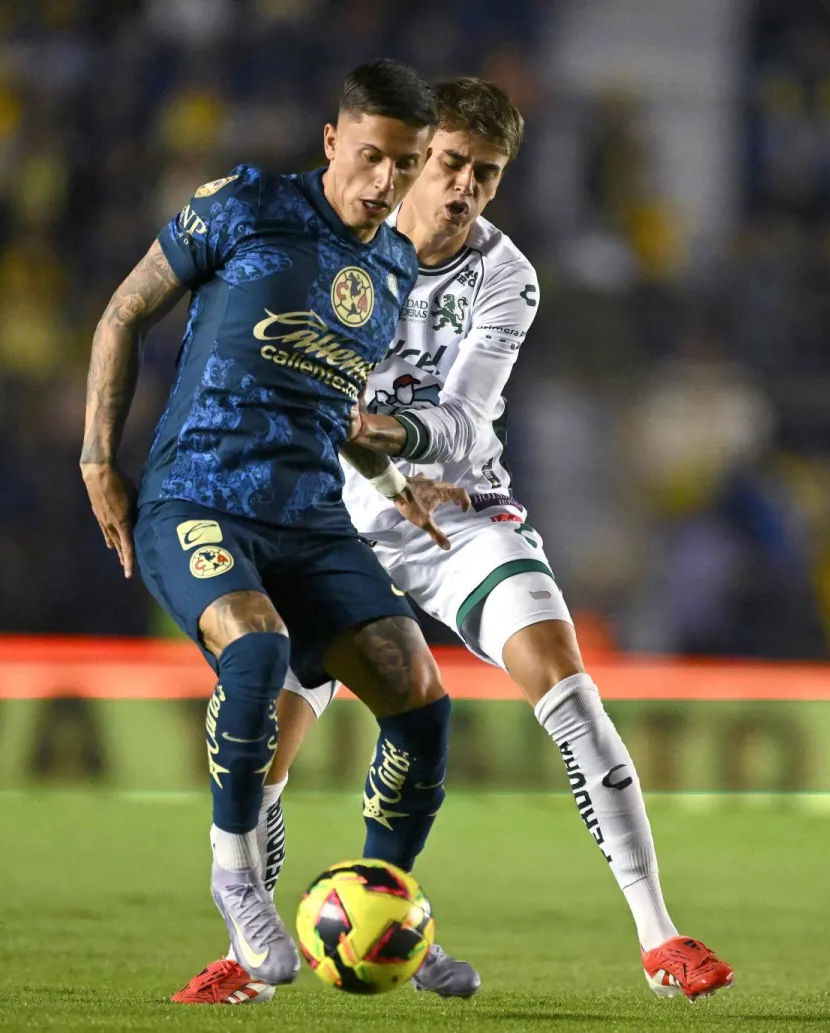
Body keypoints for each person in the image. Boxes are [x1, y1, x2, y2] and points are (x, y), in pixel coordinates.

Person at [175, 77, 735, 1005]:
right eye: (449, 164)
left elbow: (469, 421)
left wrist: (388, 433)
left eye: (487, 172)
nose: (464, 186)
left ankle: (660, 936)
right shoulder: (339, 244)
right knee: (267, 736)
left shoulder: (505, 274)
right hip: (332, 523)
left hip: (457, 517)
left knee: (565, 677)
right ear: (414, 158)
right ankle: (248, 952)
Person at [79, 60, 475, 995]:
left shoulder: (392, 266)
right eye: (371, 156)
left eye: (406, 164)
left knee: (421, 697)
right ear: (333, 142)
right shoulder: (244, 204)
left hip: (310, 517)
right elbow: (124, 311)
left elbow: (331, 405)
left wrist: (393, 477)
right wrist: (99, 457)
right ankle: (238, 879)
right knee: (255, 651)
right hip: (200, 498)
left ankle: (390, 914)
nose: (386, 182)